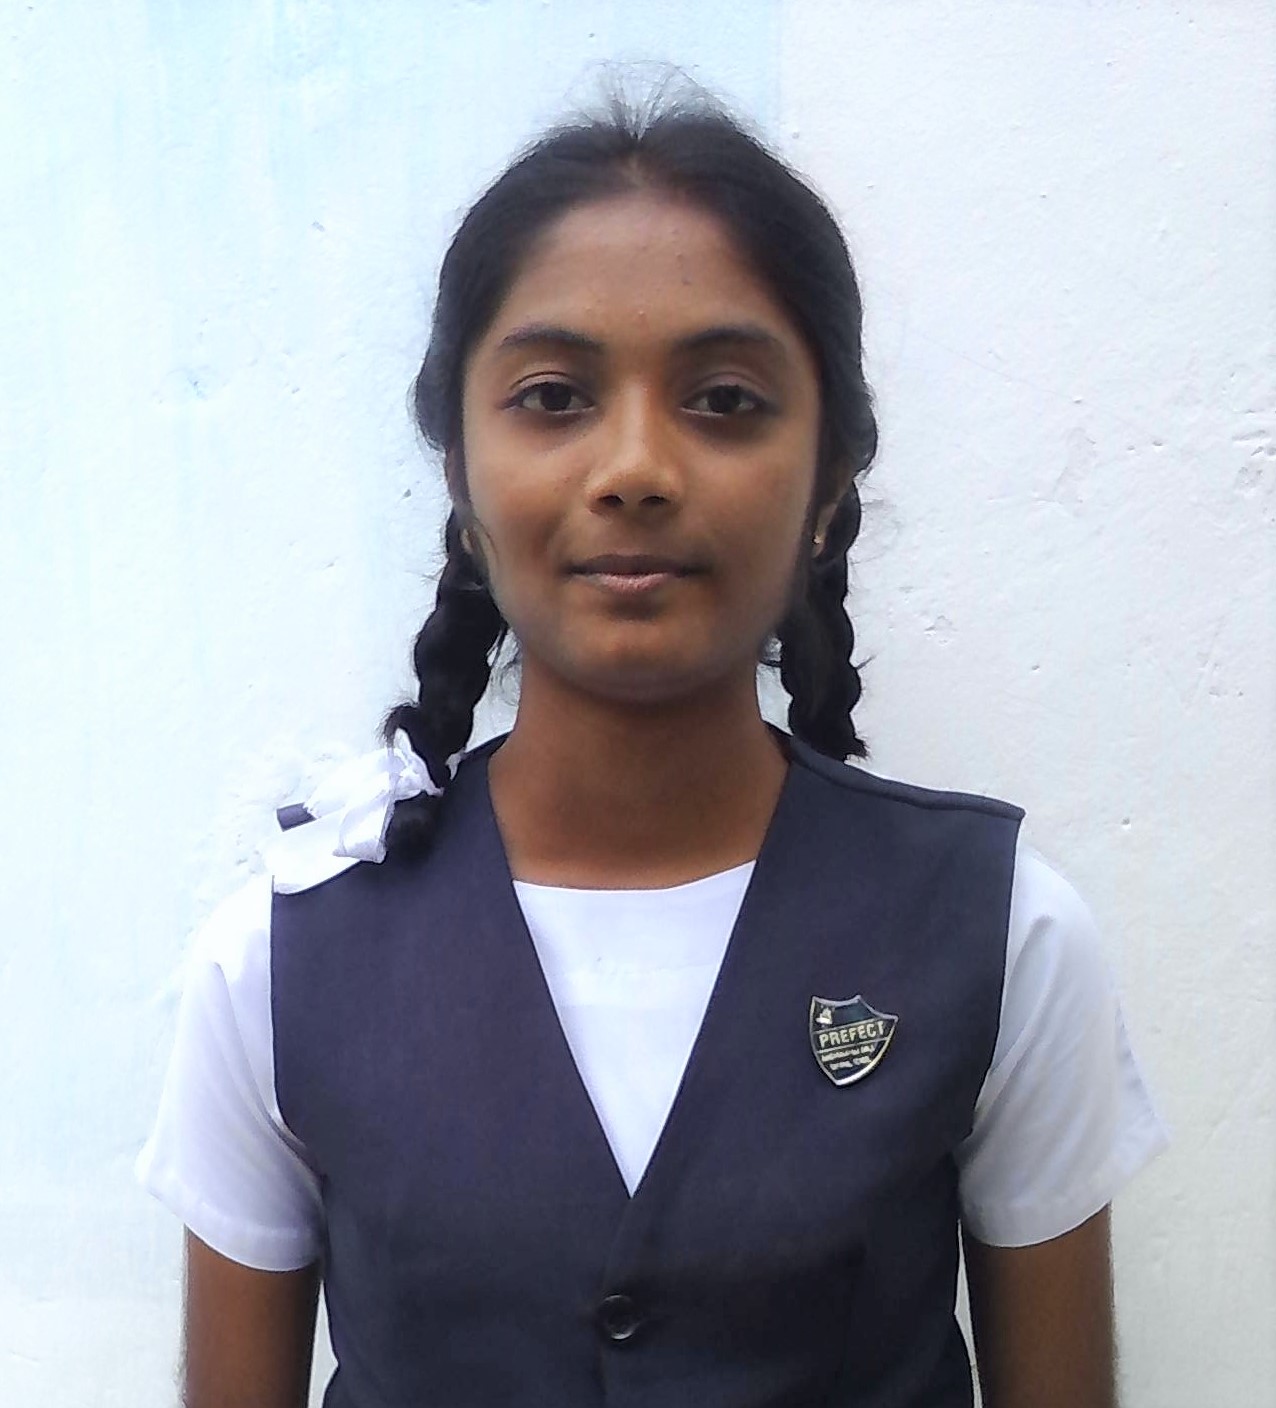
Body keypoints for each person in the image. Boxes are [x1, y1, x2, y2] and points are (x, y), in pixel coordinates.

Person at [136, 84, 1168, 1408]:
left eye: (725, 399)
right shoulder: (277, 963)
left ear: (829, 484)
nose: (635, 467)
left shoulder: (1005, 935)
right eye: (553, 396)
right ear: (459, 476)